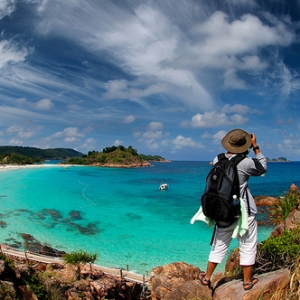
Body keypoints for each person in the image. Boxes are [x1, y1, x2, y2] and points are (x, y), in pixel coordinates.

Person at [199, 128, 267, 291]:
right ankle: (246, 282)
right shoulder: (246, 162)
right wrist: (256, 147)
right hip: (244, 211)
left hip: (223, 209)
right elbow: (262, 167)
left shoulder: (217, 159)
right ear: (245, 145)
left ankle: (207, 278)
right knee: (248, 244)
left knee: (219, 244)